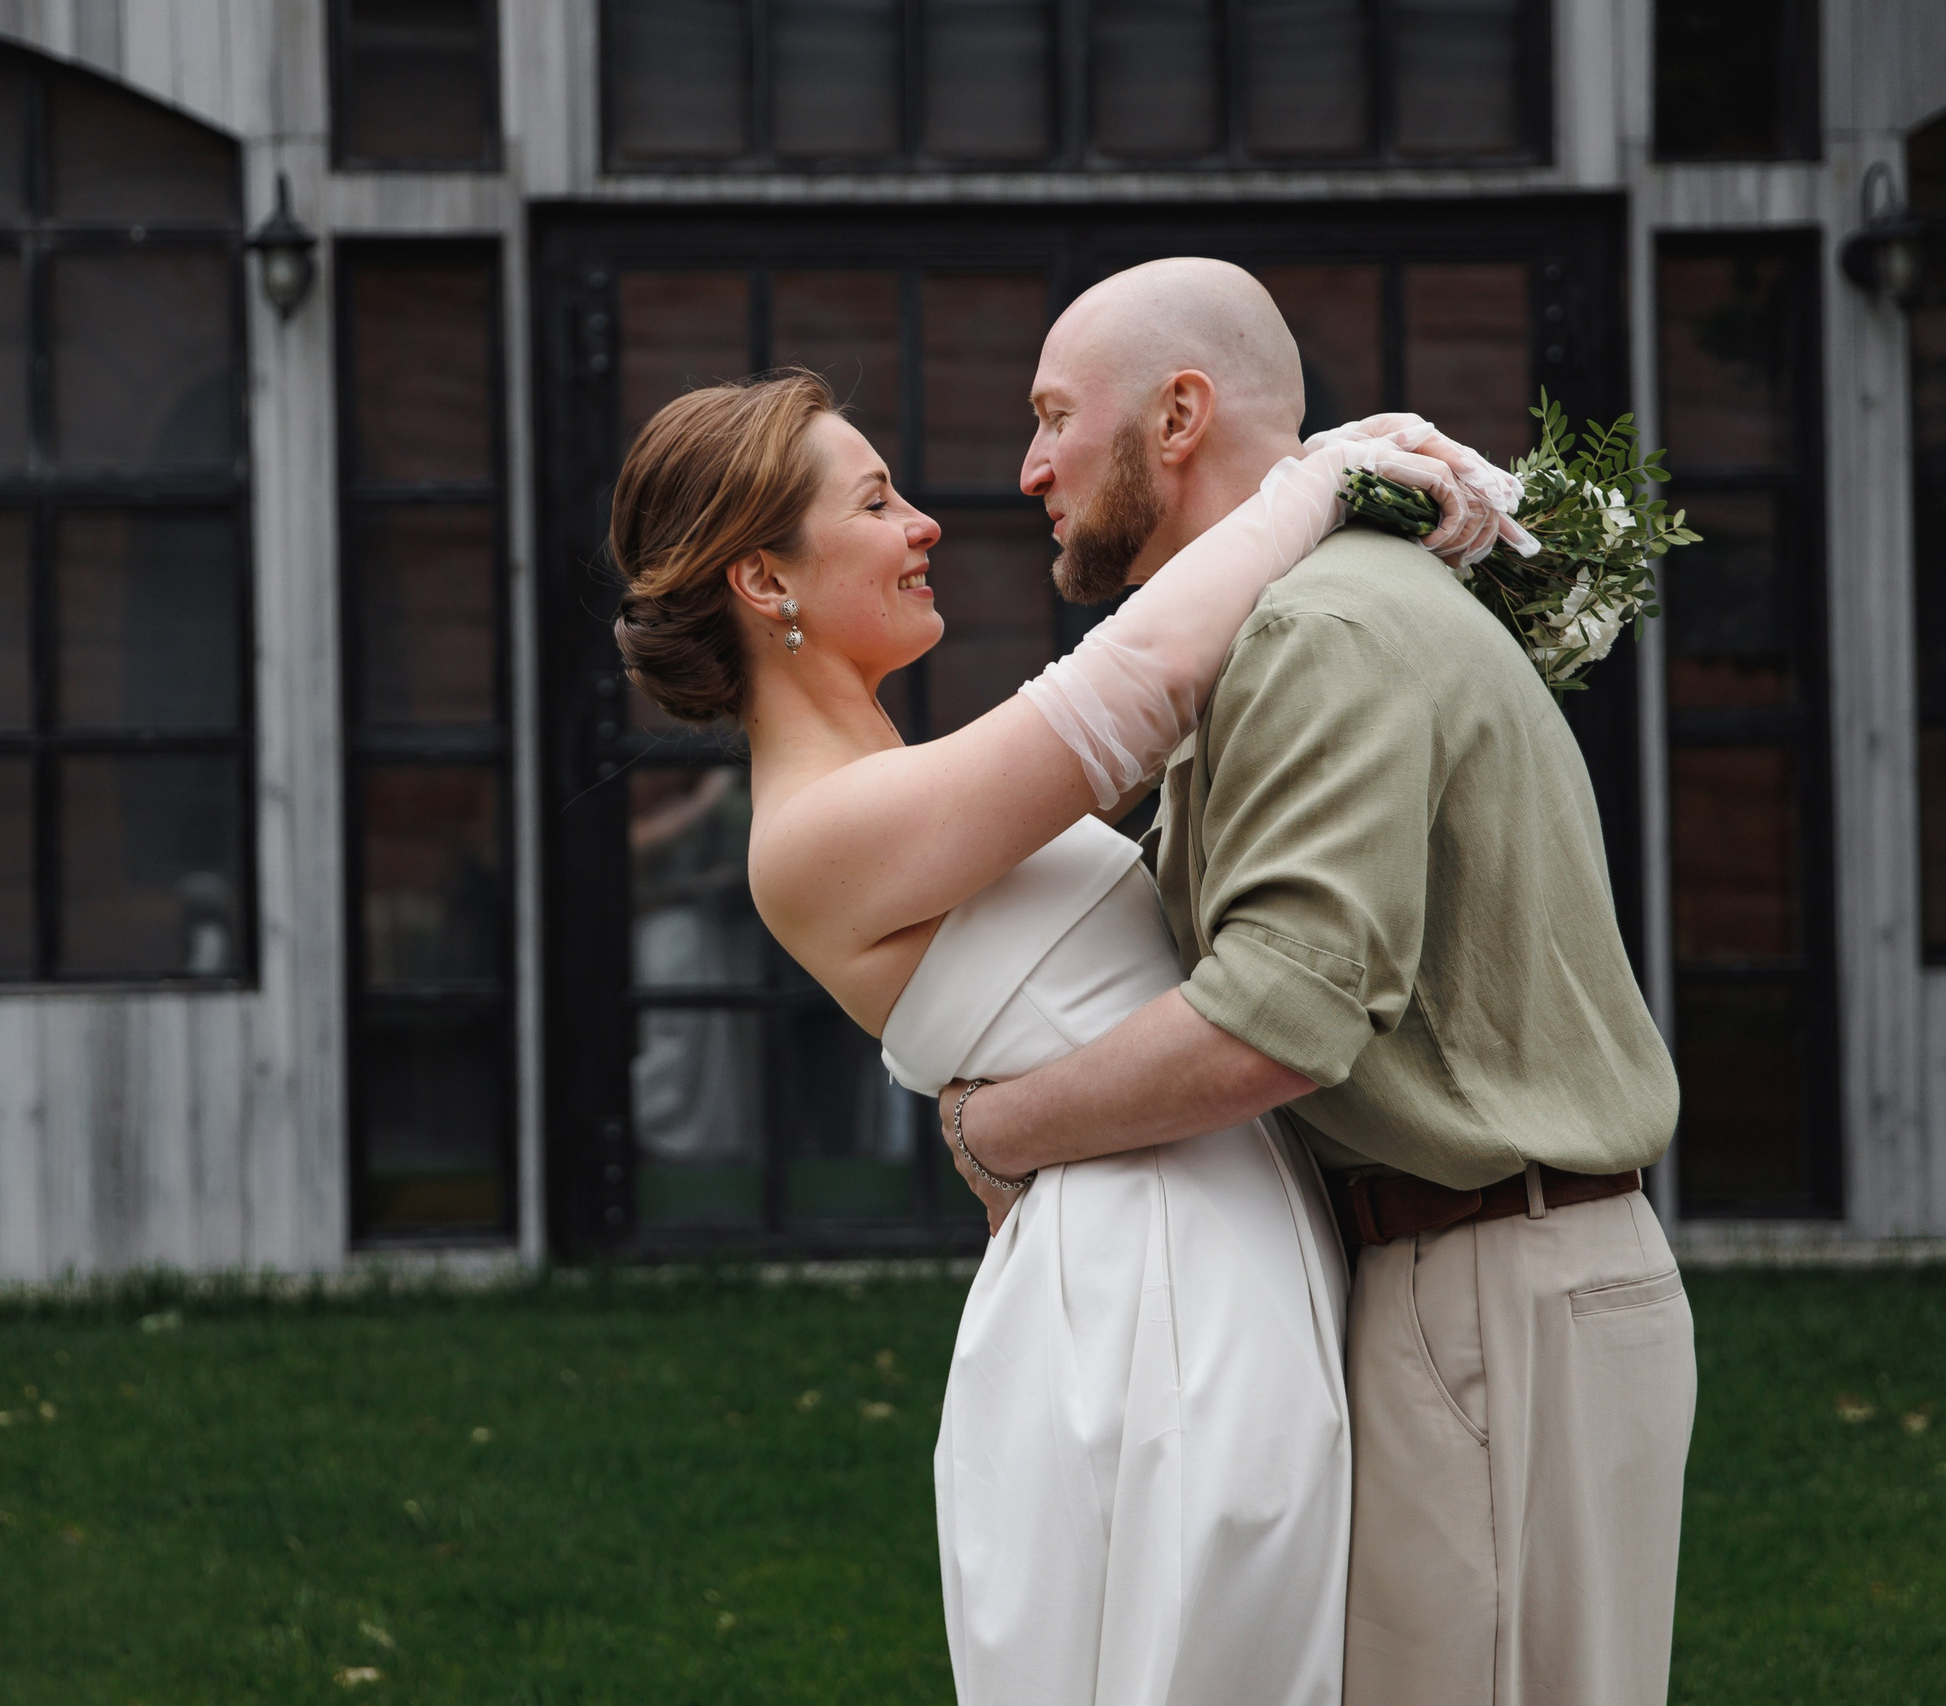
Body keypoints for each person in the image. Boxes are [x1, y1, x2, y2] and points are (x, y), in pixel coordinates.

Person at [608, 291, 1514, 1704]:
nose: (927, 526)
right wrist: (1322, 478)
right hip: (1142, 1304)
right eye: (876, 500)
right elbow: (1136, 682)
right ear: (764, 582)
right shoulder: (808, 834)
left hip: (1200, 1259)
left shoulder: (896, 784)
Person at [937, 258, 1696, 1706]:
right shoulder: (1304, 616)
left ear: (1178, 416)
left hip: (1484, 1286)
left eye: (1051, 417)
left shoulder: (1319, 632)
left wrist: (995, 1130)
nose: (1026, 466)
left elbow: (1280, 1016)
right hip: (1481, 1279)